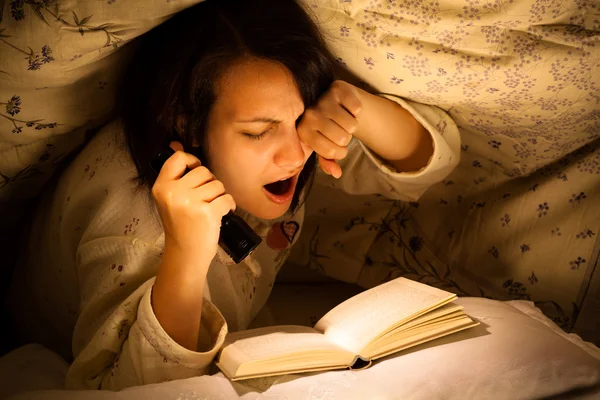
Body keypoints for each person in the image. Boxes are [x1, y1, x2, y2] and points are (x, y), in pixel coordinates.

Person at [6, 0, 460, 390]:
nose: (294, 153)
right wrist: (186, 253)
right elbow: (127, 389)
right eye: (259, 132)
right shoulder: (137, 231)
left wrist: (353, 109)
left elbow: (429, 165)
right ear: (185, 123)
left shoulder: (291, 140)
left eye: (300, 120)